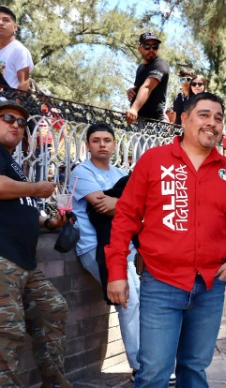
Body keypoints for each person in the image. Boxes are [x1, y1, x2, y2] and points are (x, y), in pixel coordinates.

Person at [105, 92, 226, 387]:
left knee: (194, 368)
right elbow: (125, 218)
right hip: (161, 283)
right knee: (154, 373)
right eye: (204, 115)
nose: (212, 123)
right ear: (184, 119)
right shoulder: (154, 160)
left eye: (218, 118)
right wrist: (116, 272)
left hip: (210, 286)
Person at [0, 100, 71, 387]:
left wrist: (50, 222)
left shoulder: (12, 163)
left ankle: (55, 383)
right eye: (8, 118)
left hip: (24, 262)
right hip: (3, 257)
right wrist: (36, 188)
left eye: (21, 122)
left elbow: (22, 206)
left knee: (52, 309)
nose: (16, 125)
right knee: (6, 332)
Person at [68, 123, 143, 382]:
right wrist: (132, 206)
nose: (102, 144)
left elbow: (138, 206)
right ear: (88, 145)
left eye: (107, 140)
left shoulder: (121, 173)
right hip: (95, 248)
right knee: (129, 300)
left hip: (126, 248)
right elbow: (103, 207)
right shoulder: (82, 172)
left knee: (141, 302)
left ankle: (150, 360)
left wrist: (124, 205)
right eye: (96, 140)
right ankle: (141, 367)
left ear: (114, 145)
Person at [126, 32, 170, 124]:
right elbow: (141, 88)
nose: (151, 49)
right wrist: (132, 91)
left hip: (155, 123)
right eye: (147, 46)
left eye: (155, 46)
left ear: (159, 48)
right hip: (138, 121)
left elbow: (147, 87)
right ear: (140, 49)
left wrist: (134, 109)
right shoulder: (140, 68)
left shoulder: (160, 64)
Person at [0, 6, 33, 91]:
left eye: (6, 20)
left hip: (8, 99)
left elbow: (24, 84)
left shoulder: (19, 50)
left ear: (15, 28)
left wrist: (15, 100)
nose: (0, 23)